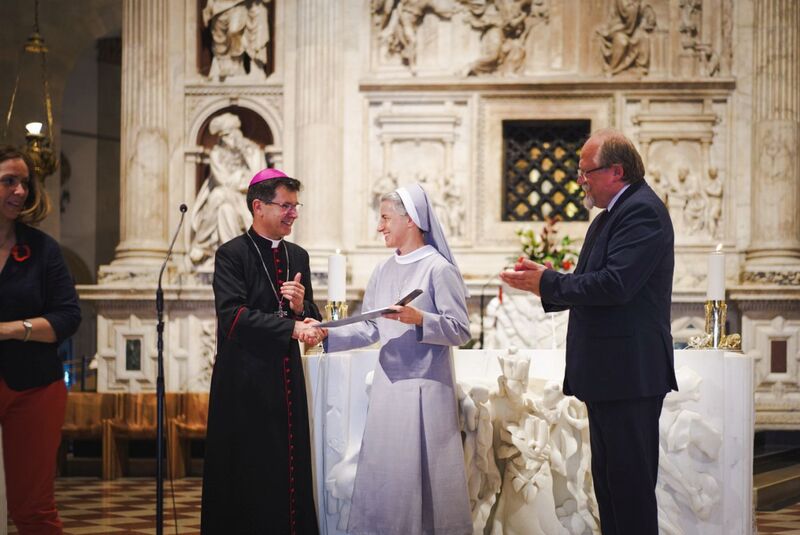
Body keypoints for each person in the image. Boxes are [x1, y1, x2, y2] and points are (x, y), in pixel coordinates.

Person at [499, 128, 677, 535]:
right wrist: (542, 279)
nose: (580, 180)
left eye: (586, 171)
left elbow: (615, 286)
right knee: (611, 490)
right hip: (608, 375)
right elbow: (587, 284)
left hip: (629, 374)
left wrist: (546, 282)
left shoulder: (642, 212)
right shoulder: (609, 218)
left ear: (616, 171)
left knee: (630, 491)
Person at [309, 183, 472, 535]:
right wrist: (327, 335)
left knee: (424, 482)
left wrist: (420, 320)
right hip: (388, 389)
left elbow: (460, 329)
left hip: (426, 390)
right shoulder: (383, 270)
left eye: (385, 218)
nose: (380, 226)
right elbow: (370, 328)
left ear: (410, 219)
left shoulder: (438, 269)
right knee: (388, 478)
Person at [201, 168, 322, 534]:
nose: (293, 214)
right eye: (286, 206)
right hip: (244, 383)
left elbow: (311, 316)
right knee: (246, 472)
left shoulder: (297, 256)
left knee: (287, 469)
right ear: (259, 206)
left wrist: (302, 309)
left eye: (295, 206)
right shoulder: (231, 254)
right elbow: (233, 317)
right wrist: (292, 326)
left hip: (286, 382)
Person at [0, 144, 81, 533]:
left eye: (24, 183)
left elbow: (68, 317)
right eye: (8, 182)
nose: (19, 191)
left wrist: (10, 330)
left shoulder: (42, 249)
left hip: (34, 386)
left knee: (32, 508)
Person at [189, 112, 265, 268]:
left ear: (237, 132)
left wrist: (241, 179)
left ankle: (201, 244)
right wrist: (242, 177)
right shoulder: (216, 154)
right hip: (227, 196)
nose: (225, 139)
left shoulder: (253, 151)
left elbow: (260, 180)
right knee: (222, 202)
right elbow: (223, 180)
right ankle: (230, 257)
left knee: (221, 201)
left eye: (228, 134)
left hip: (249, 201)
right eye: (221, 135)